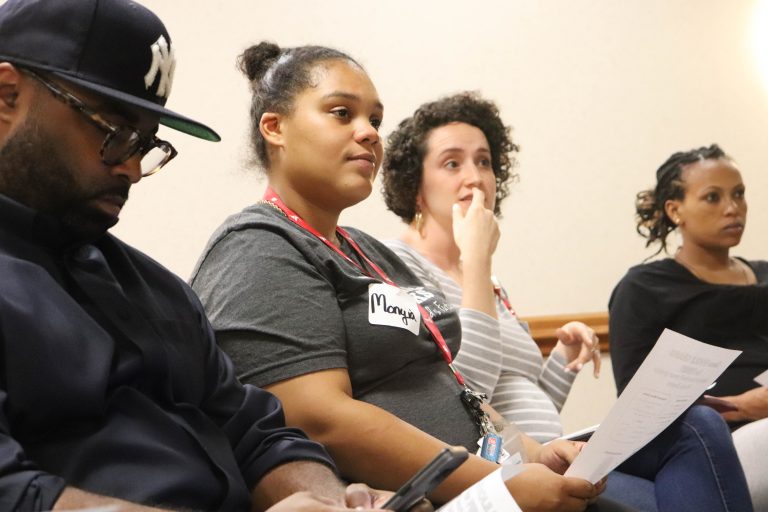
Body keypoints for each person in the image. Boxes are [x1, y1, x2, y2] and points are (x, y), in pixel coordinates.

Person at [188, 41, 650, 512]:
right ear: (275, 127)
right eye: (342, 113)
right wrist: (497, 484)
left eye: (375, 120)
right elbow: (319, 420)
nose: (369, 133)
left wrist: (532, 452)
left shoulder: (365, 250)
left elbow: (452, 385)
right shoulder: (258, 246)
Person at [0, 1, 390, 511]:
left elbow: (257, 435)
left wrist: (333, 501)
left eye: (146, 144)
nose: (132, 169)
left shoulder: (157, 291)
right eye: (114, 132)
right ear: (7, 95)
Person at [378, 94, 755, 512]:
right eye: (452, 163)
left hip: (543, 452)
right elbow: (463, 396)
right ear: (415, 186)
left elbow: (518, 402)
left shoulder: (487, 279)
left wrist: (562, 363)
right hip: (495, 473)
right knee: (689, 449)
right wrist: (478, 260)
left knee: (695, 426)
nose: (475, 177)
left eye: (484, 162)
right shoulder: (397, 265)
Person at [609, 143, 768, 510]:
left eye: (739, 194)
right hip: (713, 440)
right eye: (713, 197)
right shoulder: (645, 288)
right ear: (674, 209)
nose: (733, 208)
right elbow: (637, 403)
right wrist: (741, 406)